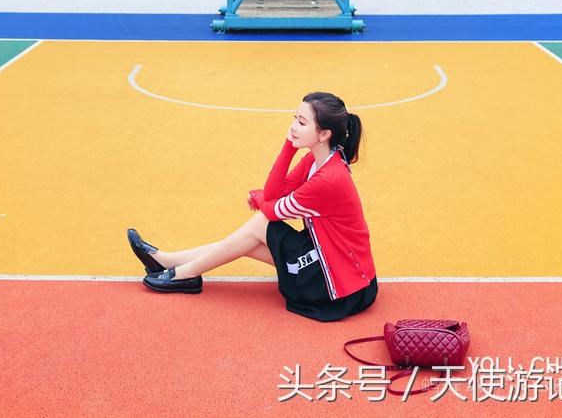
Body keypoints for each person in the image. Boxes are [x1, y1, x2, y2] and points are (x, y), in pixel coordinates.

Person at [127, 92, 377, 321]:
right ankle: (170, 262)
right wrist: (288, 147)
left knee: (261, 225)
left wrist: (260, 199)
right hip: (329, 257)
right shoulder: (318, 159)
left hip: (341, 287)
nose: (292, 127)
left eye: (302, 123)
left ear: (324, 134)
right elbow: (274, 194)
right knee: (248, 240)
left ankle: (183, 274)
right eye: (294, 118)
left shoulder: (329, 179)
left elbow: (270, 210)